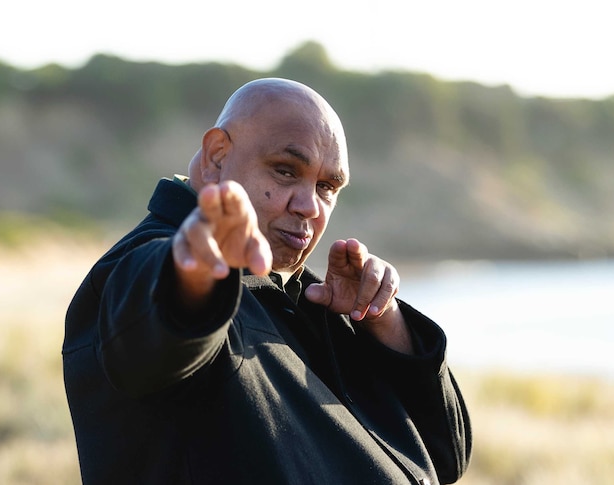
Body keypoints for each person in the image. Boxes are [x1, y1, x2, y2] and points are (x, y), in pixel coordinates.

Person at [63, 78, 472, 484]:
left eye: (327, 186)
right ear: (217, 156)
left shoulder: (311, 297)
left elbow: (446, 455)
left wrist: (384, 321)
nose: (309, 206)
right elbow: (147, 334)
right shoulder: (148, 268)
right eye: (285, 171)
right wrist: (193, 275)